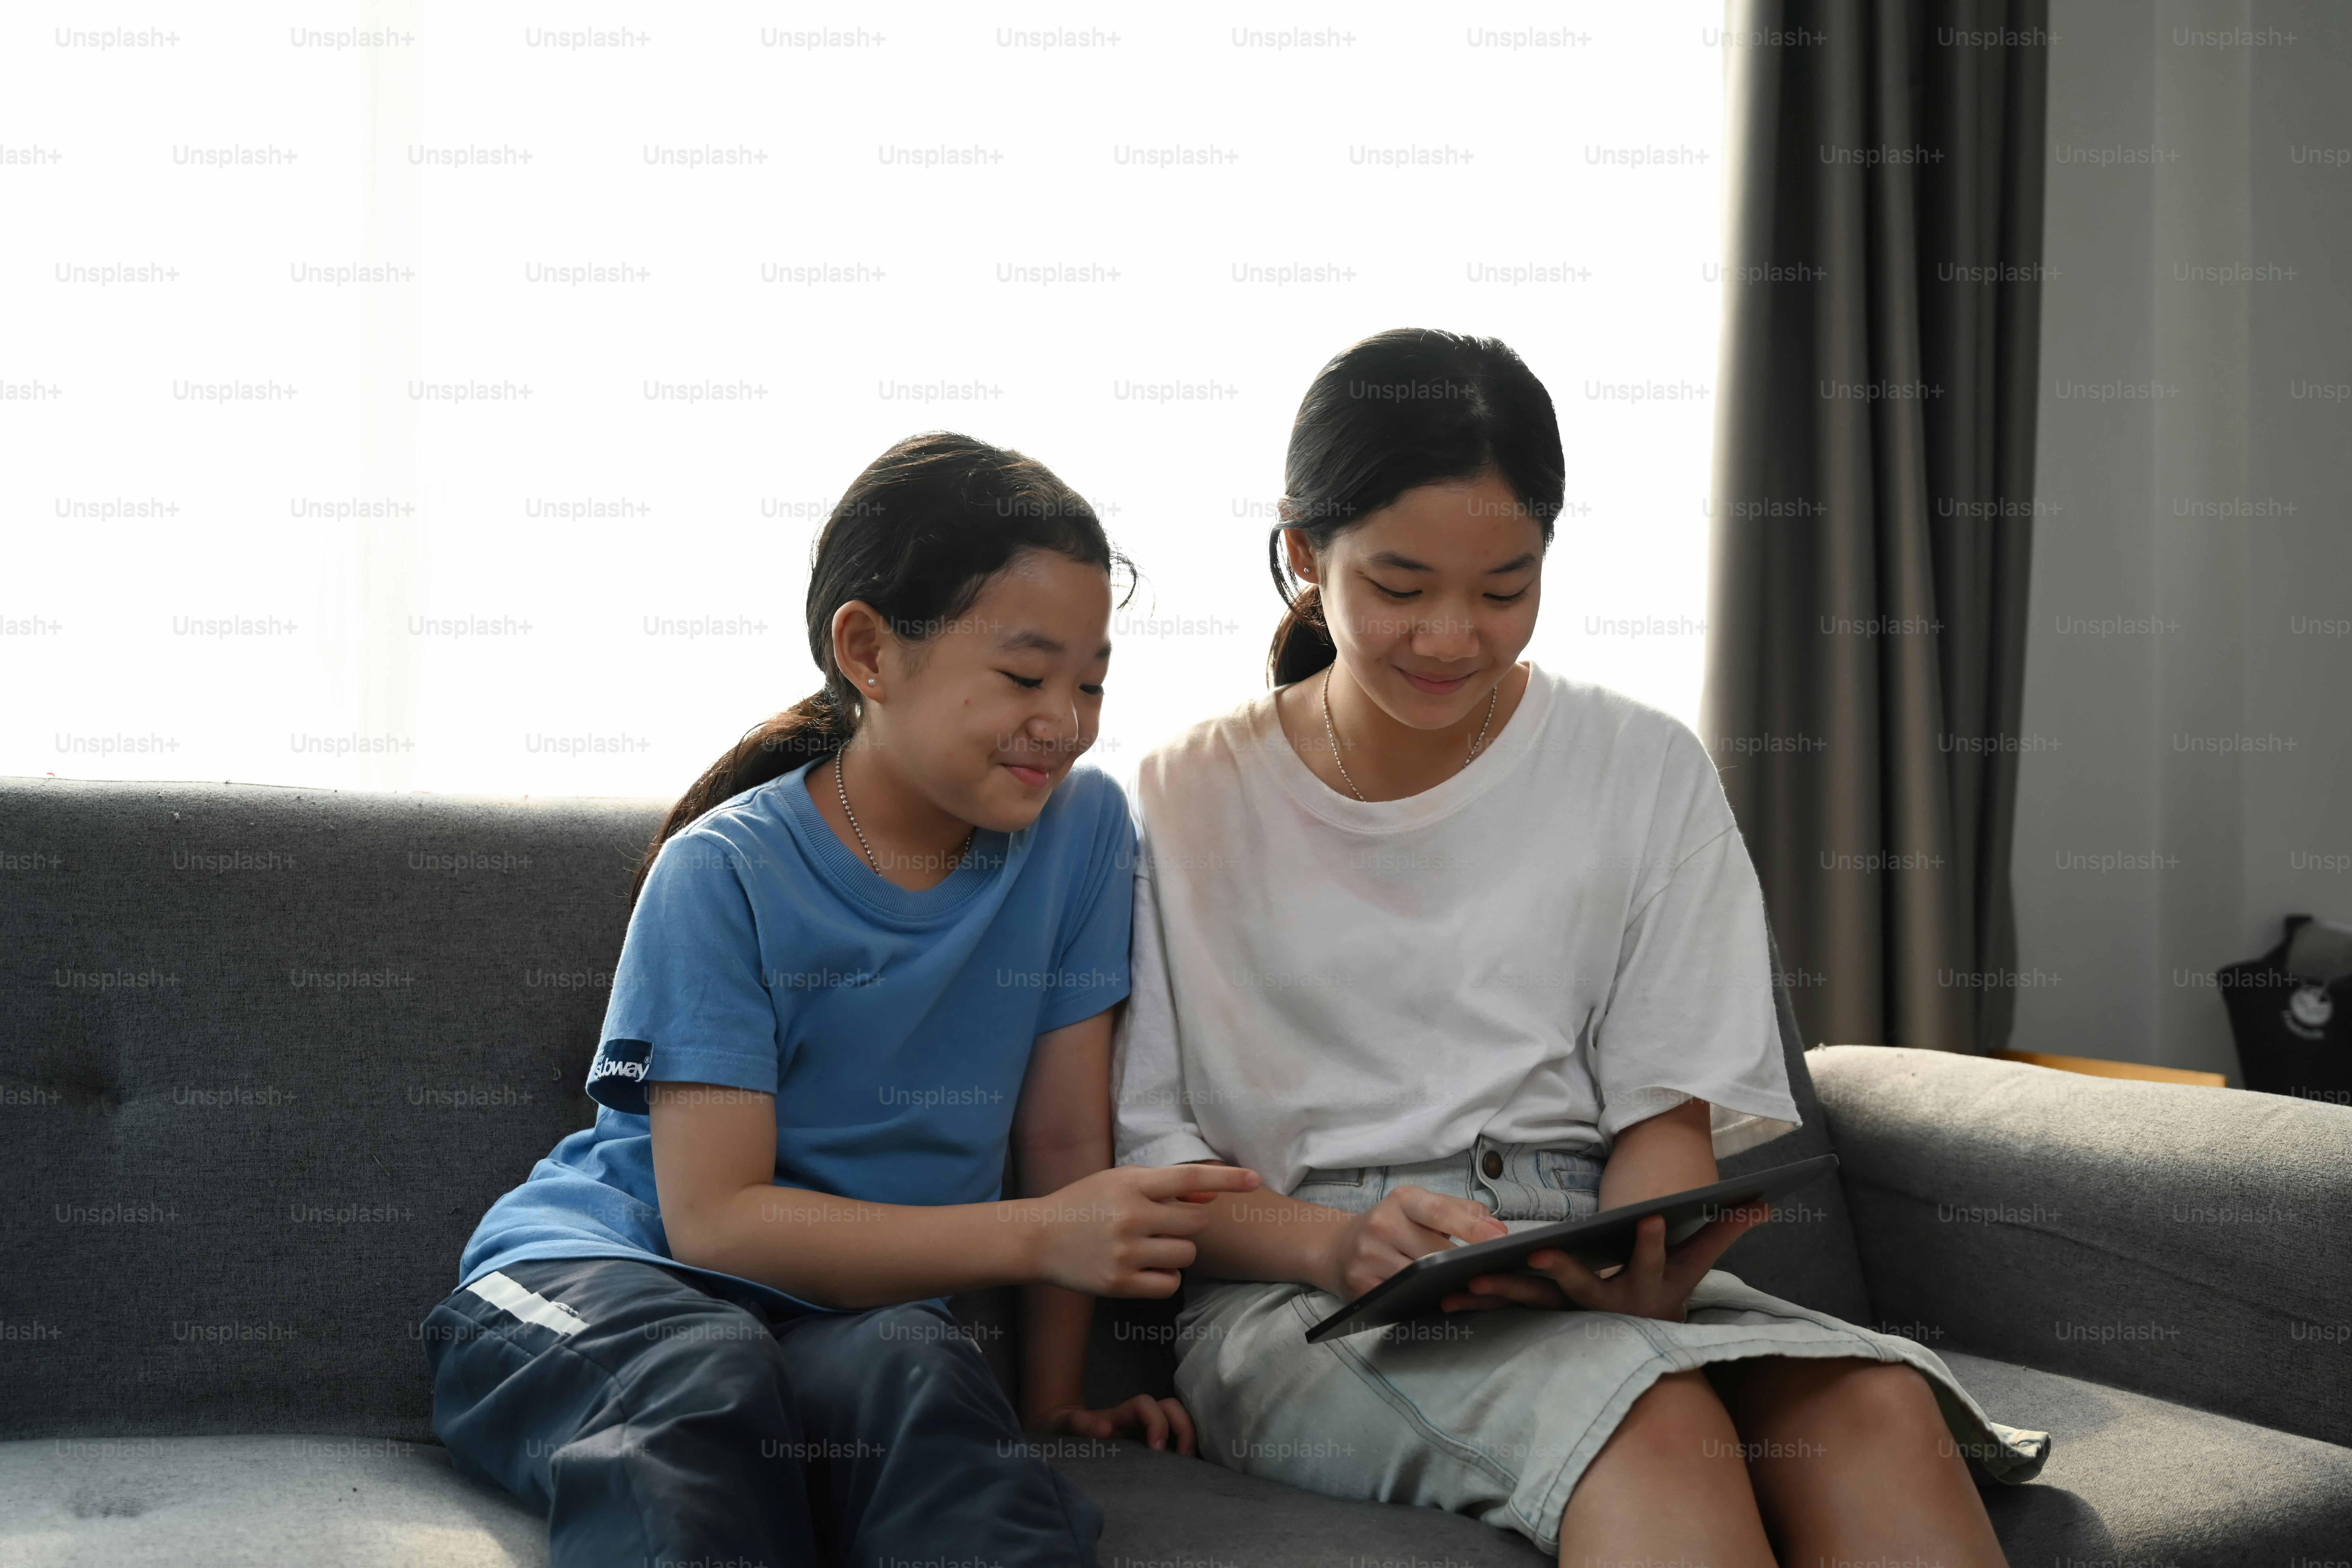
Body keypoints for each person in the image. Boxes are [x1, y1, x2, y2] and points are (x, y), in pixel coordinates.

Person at [1112, 330, 2048, 1565]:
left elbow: (1667, 1113)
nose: (1453, 634)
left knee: (1873, 1406)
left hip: (1579, 1253)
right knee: (1657, 1424)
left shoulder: (1642, 766)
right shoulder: (1185, 796)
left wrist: (1639, 1259)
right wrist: (1334, 1242)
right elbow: (1152, 1160)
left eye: (1505, 588)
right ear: (1302, 554)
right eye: (1399, 587)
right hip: (1307, 1291)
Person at [422, 432, 1257, 1568]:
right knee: (705, 1377)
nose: (1065, 718)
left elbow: (1064, 1140)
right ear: (868, 650)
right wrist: (1037, 1233)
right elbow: (714, 1218)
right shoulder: (724, 872)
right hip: (603, 1278)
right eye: (1023, 676)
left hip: (838, 1327)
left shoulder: (1080, 830)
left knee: (919, 1372)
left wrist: (1055, 1399)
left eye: (1092, 680)